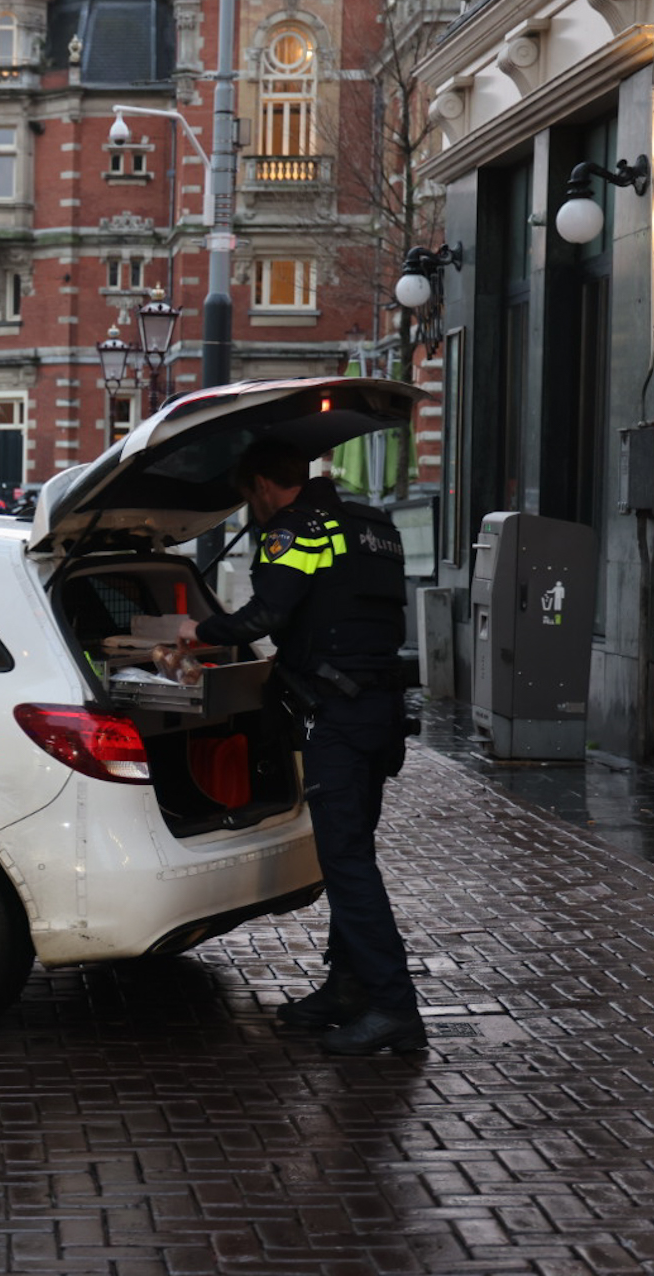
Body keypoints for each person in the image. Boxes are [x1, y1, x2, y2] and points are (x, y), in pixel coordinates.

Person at [176, 439, 421, 1056]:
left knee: (347, 863)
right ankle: (346, 989)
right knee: (352, 851)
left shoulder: (297, 530)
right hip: (381, 708)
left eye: (246, 496)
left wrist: (196, 631)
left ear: (261, 485)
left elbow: (265, 617)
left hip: (337, 713)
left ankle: (394, 1007)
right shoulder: (372, 523)